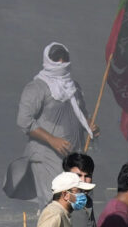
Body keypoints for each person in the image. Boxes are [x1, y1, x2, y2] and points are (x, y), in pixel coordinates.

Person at [10, 43, 94, 204]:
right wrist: (52, 140)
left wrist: (90, 125)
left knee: (77, 203)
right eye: (57, 58)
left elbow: (81, 113)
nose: (61, 62)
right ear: (48, 60)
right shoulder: (36, 87)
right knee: (55, 203)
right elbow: (24, 121)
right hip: (46, 156)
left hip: (74, 156)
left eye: (65, 58)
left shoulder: (74, 86)